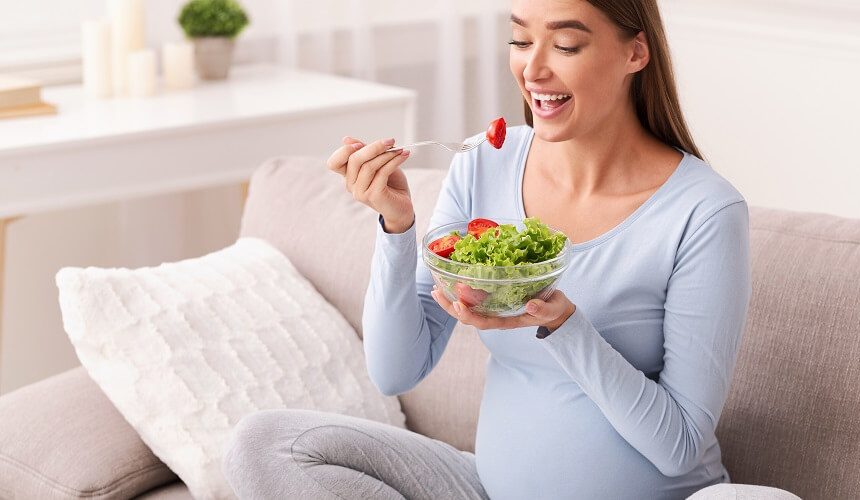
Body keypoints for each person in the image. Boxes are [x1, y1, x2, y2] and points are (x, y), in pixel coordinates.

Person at [222, 0, 751, 498]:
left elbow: (679, 447)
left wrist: (564, 327)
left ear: (635, 52)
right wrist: (396, 226)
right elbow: (394, 370)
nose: (533, 69)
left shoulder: (704, 211)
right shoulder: (484, 163)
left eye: (565, 46)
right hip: (485, 488)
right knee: (267, 443)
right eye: (520, 40)